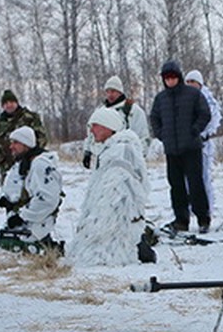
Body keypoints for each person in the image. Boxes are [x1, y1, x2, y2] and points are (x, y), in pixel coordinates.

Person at [70, 107, 152, 266]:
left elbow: (121, 196)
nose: (91, 130)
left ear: (109, 127)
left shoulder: (122, 150)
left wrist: (102, 226)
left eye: (95, 125)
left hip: (120, 224)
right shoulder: (109, 150)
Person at [148, 60, 211, 234]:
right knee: (176, 186)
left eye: (173, 78)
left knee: (196, 184)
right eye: (166, 78)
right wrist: (161, 135)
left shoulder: (193, 94)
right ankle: (181, 220)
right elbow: (154, 118)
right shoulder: (161, 98)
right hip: (172, 150)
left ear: (179, 77)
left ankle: (203, 219)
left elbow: (205, 113)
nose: (170, 81)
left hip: (191, 147)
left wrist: (195, 129)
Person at [0, 125, 62, 250]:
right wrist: (8, 200)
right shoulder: (24, 162)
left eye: (16, 142)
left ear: (26, 145)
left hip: (36, 227)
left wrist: (22, 217)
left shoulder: (40, 165)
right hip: (22, 228)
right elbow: (18, 186)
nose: (11, 146)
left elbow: (47, 199)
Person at [83, 76, 149, 169]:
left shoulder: (132, 110)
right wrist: (87, 151)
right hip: (103, 160)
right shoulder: (101, 112)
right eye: (108, 91)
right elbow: (91, 133)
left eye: (113, 91)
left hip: (126, 161)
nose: (110, 94)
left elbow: (143, 137)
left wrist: (138, 158)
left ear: (120, 92)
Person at [184, 70, 223, 215]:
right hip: (187, 144)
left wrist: (200, 134)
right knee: (187, 179)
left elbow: (212, 120)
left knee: (203, 177)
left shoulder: (208, 100)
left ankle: (205, 209)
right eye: (187, 82)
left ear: (199, 84)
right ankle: (188, 208)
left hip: (202, 144)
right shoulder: (183, 98)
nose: (190, 85)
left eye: (193, 82)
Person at [0, 89, 47, 178]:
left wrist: (30, 158)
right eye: (6, 103)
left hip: (30, 167)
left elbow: (42, 138)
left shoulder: (30, 117)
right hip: (8, 170)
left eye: (11, 102)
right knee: (9, 191)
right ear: (3, 106)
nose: (9, 105)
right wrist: (2, 162)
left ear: (16, 103)